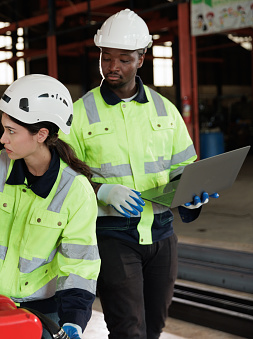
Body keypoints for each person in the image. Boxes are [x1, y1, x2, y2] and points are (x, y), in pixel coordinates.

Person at [60, 9, 218, 339]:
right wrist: (101, 191)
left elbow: (183, 169)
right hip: (112, 234)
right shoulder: (80, 113)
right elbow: (62, 176)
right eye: (106, 57)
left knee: (154, 326)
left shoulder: (166, 111)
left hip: (161, 233)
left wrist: (191, 197)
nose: (113, 67)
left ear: (142, 58)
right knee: (128, 328)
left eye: (124, 59)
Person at [0, 74, 100, 339]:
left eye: (11, 131)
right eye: (4, 129)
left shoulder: (74, 190)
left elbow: (79, 263)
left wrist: (74, 320)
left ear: (41, 135)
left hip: (43, 315)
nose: (2, 139)